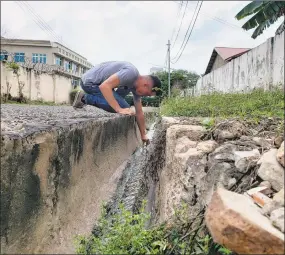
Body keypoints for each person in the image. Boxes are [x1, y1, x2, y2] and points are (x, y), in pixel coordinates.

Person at [73, 61, 162, 145]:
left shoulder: (136, 86)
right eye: (147, 94)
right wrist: (119, 109)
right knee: (124, 106)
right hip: (90, 83)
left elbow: (139, 112)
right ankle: (84, 98)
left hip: (100, 83)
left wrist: (143, 134)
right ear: (146, 85)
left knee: (126, 106)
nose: (145, 96)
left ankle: (111, 104)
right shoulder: (131, 74)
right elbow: (105, 86)